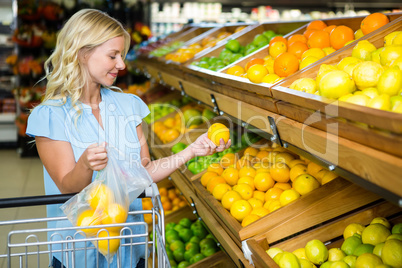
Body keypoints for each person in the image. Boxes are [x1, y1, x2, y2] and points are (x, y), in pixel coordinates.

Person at [26, 9, 230, 268]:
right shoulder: (50, 116)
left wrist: (191, 150)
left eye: (121, 55)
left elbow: (143, 173)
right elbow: (68, 188)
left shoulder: (129, 105)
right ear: (82, 53)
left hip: (129, 250)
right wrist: (85, 165)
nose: (121, 64)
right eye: (113, 55)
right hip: (77, 253)